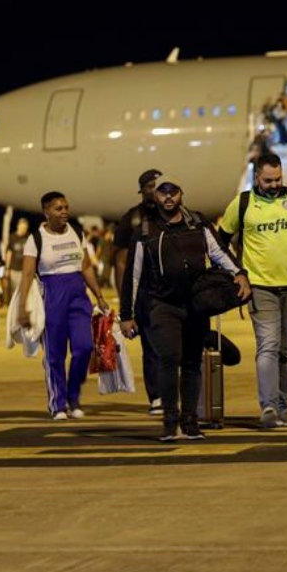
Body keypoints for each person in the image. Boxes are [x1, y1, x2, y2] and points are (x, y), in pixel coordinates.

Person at [119, 175, 250, 441]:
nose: (168, 197)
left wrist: (239, 273)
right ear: (155, 197)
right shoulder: (146, 231)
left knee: (191, 362)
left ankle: (190, 421)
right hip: (161, 304)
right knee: (169, 357)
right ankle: (170, 420)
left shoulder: (198, 223)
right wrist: (127, 315)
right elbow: (132, 275)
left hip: (195, 303)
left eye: (173, 191)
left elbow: (218, 252)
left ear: (181, 194)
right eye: (162, 192)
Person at [216, 152, 287, 429]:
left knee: (286, 350)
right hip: (260, 287)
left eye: (278, 179)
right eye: (268, 180)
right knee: (268, 346)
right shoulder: (243, 203)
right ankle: (268, 406)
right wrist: (238, 273)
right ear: (256, 176)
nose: (274, 184)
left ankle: (284, 407)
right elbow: (220, 242)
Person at [17, 191, 109, 420]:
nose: (64, 211)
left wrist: (99, 295)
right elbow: (27, 275)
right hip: (52, 295)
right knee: (55, 356)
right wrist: (22, 307)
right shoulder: (36, 239)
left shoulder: (77, 233)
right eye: (58, 208)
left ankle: (73, 396)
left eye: (66, 207)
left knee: (84, 348)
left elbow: (86, 266)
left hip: (78, 295)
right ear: (46, 212)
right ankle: (58, 404)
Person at [113, 168, 163, 416]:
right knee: (152, 347)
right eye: (150, 187)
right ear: (142, 190)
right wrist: (126, 308)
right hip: (145, 292)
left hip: (171, 290)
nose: (154, 191)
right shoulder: (131, 219)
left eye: (158, 186)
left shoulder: (177, 214)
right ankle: (156, 396)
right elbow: (121, 262)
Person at [4, 217, 30, 305]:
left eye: (25, 228)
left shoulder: (29, 237)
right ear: (18, 226)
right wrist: (7, 268)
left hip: (25, 269)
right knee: (14, 291)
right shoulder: (12, 237)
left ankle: (22, 308)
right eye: (22, 228)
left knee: (25, 291)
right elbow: (9, 253)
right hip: (14, 269)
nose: (24, 230)